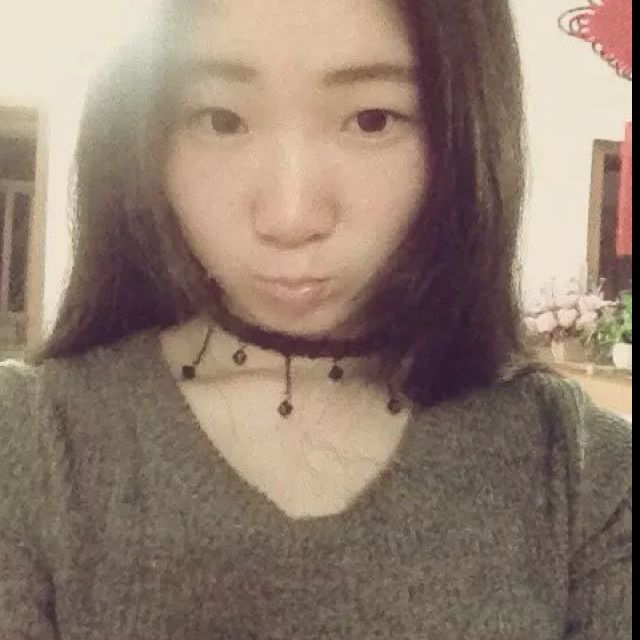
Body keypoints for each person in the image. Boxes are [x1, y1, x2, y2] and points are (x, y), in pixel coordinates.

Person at [0, 0, 631, 638]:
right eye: (221, 120)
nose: (291, 216)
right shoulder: (34, 441)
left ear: (464, 131)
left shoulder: (584, 477)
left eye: (372, 119)